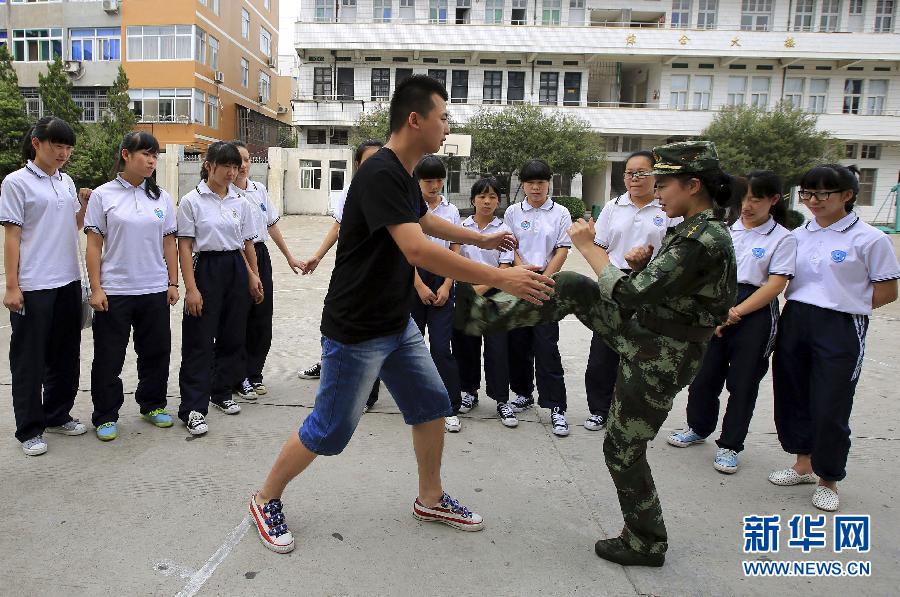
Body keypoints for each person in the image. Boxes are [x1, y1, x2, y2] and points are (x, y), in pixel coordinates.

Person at [248, 75, 554, 554]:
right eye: (443, 117)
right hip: (357, 328)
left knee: (431, 406)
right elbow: (417, 248)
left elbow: (423, 221)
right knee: (329, 430)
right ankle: (265, 497)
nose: (447, 126)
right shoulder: (380, 172)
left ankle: (430, 498)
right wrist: (501, 276)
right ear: (416, 119)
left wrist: (481, 237)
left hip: (395, 323)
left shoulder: (402, 174)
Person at [455, 141, 737, 567]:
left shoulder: (703, 238)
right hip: (649, 335)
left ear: (693, 185)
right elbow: (668, 290)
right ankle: (481, 316)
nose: (658, 192)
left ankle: (646, 542)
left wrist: (589, 247)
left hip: (662, 353)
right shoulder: (690, 230)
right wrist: (642, 267)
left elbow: (630, 293)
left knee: (623, 449)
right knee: (573, 287)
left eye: (663, 184)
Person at [769, 164, 899, 512]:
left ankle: (828, 478)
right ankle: (803, 464)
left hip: (841, 325)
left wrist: (846, 304)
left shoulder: (870, 239)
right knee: (793, 393)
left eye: (823, 193)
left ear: (847, 195)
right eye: (808, 193)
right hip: (796, 318)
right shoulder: (798, 234)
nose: (814, 200)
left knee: (831, 402)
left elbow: (887, 291)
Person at [667, 171, 796, 474]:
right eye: (744, 200)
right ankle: (698, 427)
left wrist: (735, 312)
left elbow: (775, 284)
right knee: (703, 376)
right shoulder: (725, 231)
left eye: (756, 199)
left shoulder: (783, 238)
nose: (748, 206)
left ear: (773, 200)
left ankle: (730, 445)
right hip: (716, 305)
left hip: (755, 312)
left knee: (742, 383)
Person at [1, 117, 90, 456]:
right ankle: (29, 429)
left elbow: (72, 225)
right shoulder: (17, 182)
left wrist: (83, 206)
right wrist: (12, 286)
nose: (63, 153)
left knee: (65, 355)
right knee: (30, 360)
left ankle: (57, 414)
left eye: (68, 147)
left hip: (68, 280)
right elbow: (12, 236)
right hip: (34, 283)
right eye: (57, 145)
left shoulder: (66, 181)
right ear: (37, 143)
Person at [84, 131, 179, 441]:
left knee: (156, 352)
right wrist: (96, 287)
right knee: (109, 356)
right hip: (116, 290)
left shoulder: (161, 197)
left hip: (154, 288)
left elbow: (169, 243)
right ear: (126, 155)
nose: (152, 161)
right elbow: (94, 244)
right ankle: (105, 415)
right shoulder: (103, 195)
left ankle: (152, 404)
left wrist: (173, 282)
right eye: (145, 154)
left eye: (155, 156)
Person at [584, 150, 679, 431]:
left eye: (641, 173)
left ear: (656, 176)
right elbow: (599, 247)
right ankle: (599, 409)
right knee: (603, 350)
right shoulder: (613, 207)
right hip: (614, 280)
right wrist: (608, 277)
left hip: (652, 284)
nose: (634, 178)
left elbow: (674, 252)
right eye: (629, 173)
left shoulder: (666, 209)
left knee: (642, 351)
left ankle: (633, 412)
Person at [177, 141, 264, 435]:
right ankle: (193, 408)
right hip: (206, 268)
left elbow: (247, 244)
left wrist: (253, 276)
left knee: (233, 335)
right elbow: (185, 247)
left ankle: (221, 392)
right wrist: (191, 288)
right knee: (199, 339)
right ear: (209, 165)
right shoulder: (192, 201)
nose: (231, 172)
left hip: (236, 268)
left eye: (235, 167)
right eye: (225, 165)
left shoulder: (241, 202)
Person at [296, 139, 383, 412]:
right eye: (368, 161)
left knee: (373, 332)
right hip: (350, 272)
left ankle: (368, 394)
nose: (375, 166)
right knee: (337, 324)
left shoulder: (391, 191)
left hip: (379, 274)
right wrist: (318, 256)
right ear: (357, 164)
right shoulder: (349, 192)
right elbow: (338, 227)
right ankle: (331, 369)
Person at [503, 159, 572, 436]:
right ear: (523, 185)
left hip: (547, 284)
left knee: (546, 346)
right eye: (530, 183)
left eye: (541, 182)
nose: (535, 188)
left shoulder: (561, 213)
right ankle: (523, 393)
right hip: (518, 281)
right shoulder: (512, 212)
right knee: (517, 343)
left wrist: (543, 280)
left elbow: (562, 249)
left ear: (548, 183)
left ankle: (556, 406)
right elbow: (509, 246)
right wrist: (522, 272)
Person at [230, 141, 305, 399]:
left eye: (247, 159)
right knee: (239, 317)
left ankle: (254, 373)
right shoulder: (226, 193)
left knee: (261, 317)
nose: (243, 165)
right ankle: (237, 376)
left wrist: (289, 257)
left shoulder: (258, 190)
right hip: (238, 256)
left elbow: (271, 225)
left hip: (260, 254)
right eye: (237, 161)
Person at [453, 176, 517, 427]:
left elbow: (505, 266)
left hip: (496, 294)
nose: (487, 201)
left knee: (497, 349)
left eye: (492, 197)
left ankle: (502, 400)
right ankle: (469, 392)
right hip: (466, 292)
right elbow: (456, 261)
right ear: (473, 200)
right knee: (466, 346)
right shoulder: (462, 228)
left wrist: (481, 288)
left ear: (498, 202)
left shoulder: (504, 230)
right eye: (482, 196)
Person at [411, 154, 465, 432]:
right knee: (413, 347)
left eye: (438, 180)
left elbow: (455, 249)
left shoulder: (451, 211)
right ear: (418, 182)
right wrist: (419, 285)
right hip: (414, 280)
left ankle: (450, 406)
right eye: (428, 180)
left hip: (443, 278)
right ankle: (418, 402)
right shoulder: (408, 208)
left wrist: (446, 284)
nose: (434, 186)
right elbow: (404, 251)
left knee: (442, 348)